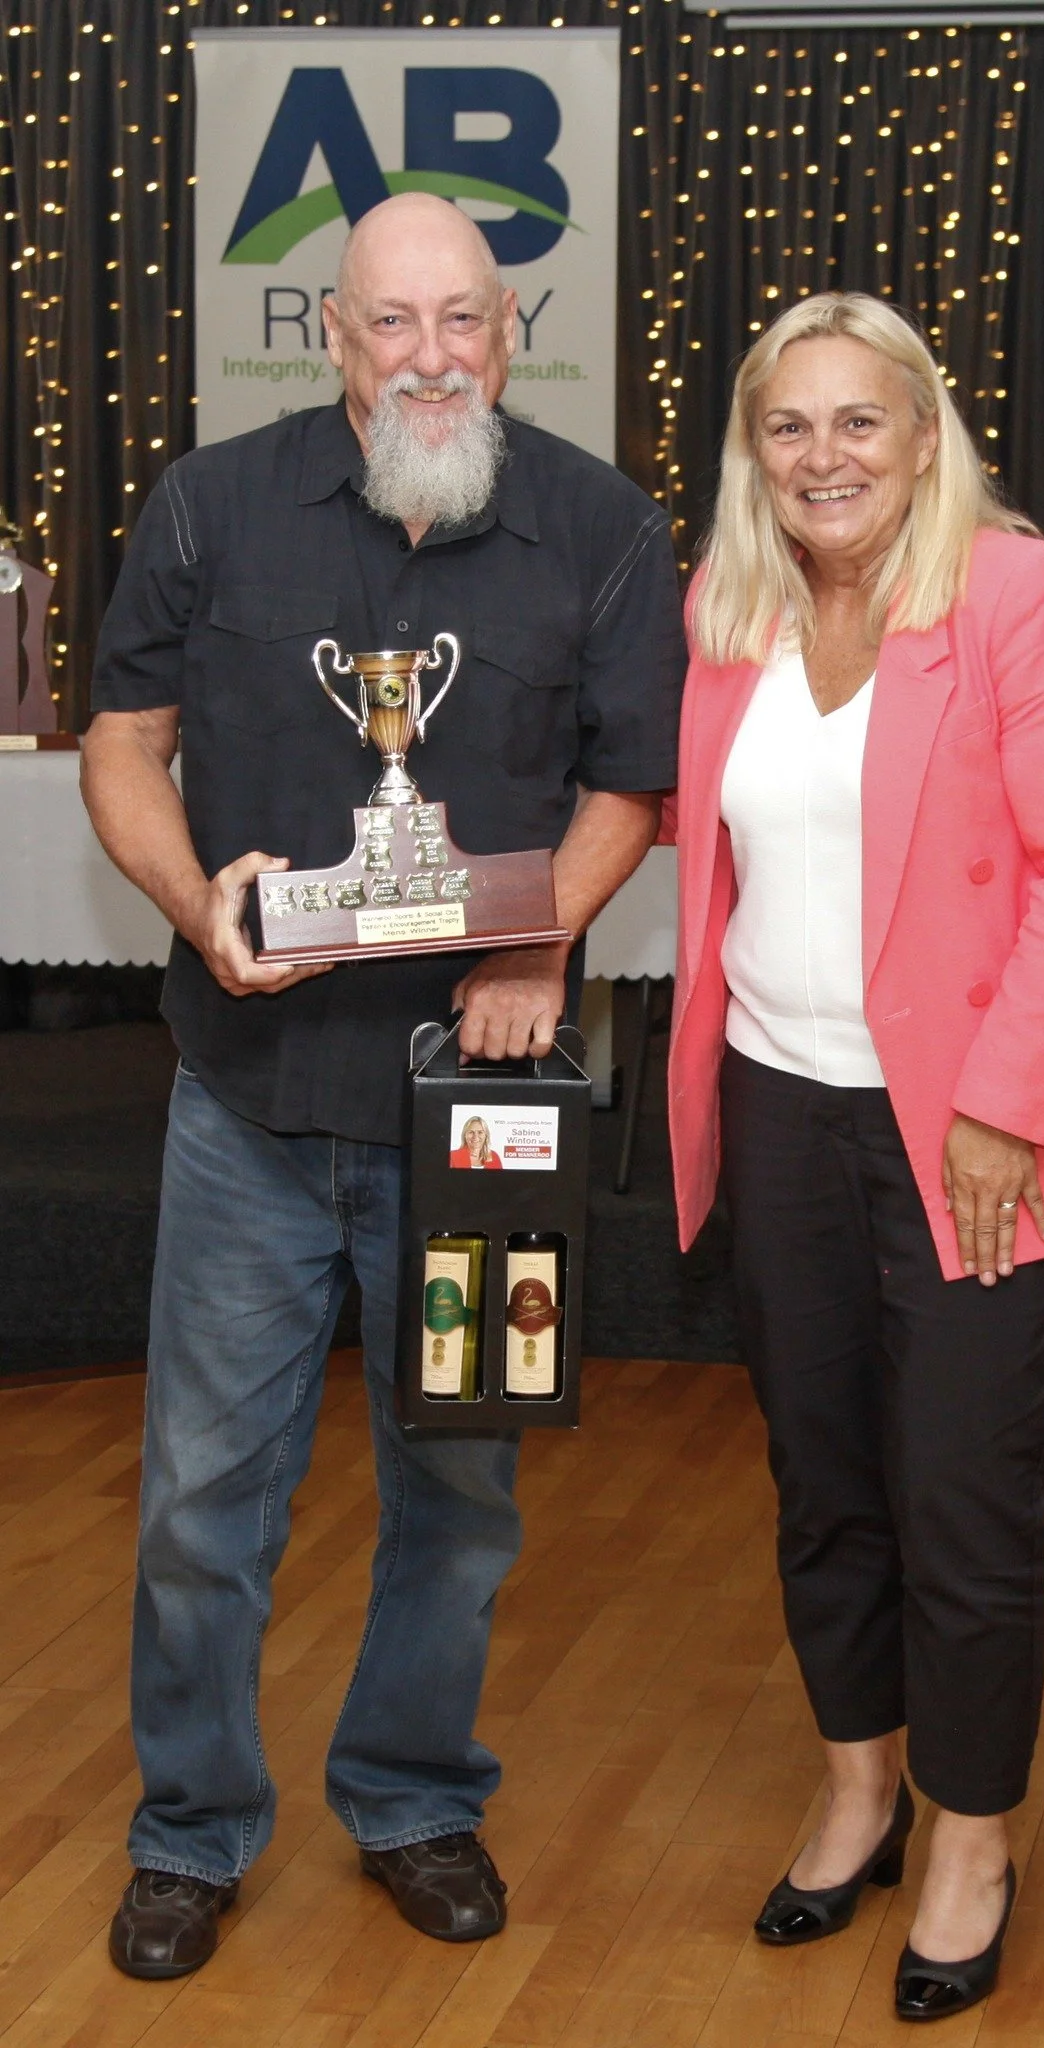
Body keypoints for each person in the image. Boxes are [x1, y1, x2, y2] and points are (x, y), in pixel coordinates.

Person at [83, 192, 685, 1982]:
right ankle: (189, 1833)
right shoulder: (207, 506)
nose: (431, 354)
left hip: (481, 1120)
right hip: (250, 1103)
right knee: (204, 1498)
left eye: (465, 320)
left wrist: (538, 936)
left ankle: (414, 1800)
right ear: (331, 339)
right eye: (392, 322)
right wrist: (198, 908)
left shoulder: (600, 524)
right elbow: (123, 745)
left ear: (511, 332)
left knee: (462, 1493)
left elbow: (627, 785)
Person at [663, 292, 1044, 2023]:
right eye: (789, 427)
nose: (825, 458)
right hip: (782, 1104)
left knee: (962, 1503)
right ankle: (856, 1786)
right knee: (821, 1482)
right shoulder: (726, 609)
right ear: (754, 453)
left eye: (859, 421)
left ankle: (971, 1839)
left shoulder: (1018, 593)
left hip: (980, 1132)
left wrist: (997, 1106)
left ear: (923, 432)